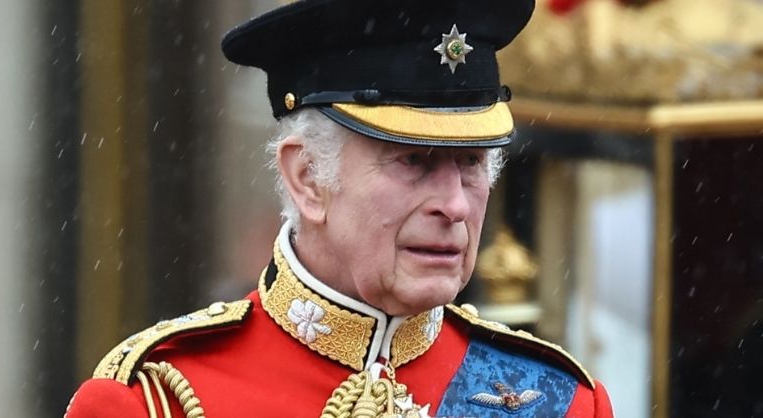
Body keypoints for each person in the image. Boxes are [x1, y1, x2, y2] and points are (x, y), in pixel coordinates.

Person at [66, 0, 613, 417]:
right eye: (414, 161)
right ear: (307, 177)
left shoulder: (560, 402)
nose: (453, 205)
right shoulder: (157, 400)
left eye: (471, 162)